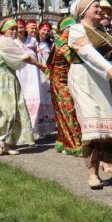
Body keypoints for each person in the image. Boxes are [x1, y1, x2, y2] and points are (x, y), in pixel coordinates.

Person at [67, 0, 112, 188]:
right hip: (85, 79)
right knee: (92, 127)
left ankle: (106, 162)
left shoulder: (102, 30)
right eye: (96, 6)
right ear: (83, 11)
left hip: (104, 81)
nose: (100, 10)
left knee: (106, 127)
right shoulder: (76, 29)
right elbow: (87, 53)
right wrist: (111, 71)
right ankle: (92, 173)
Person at [0, 17, 45, 155]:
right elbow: (24, 57)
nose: (14, 32)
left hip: (10, 78)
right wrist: (40, 65)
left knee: (15, 111)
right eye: (11, 29)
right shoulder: (5, 41)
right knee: (6, 111)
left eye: (15, 29)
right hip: (1, 80)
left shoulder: (9, 41)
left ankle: (8, 145)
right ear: (4, 30)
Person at [48, 16, 83, 156]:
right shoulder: (63, 42)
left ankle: (63, 141)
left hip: (65, 80)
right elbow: (73, 59)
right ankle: (75, 144)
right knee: (69, 111)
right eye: (71, 28)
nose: (74, 30)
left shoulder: (69, 41)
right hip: (60, 82)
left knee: (64, 112)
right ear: (64, 30)